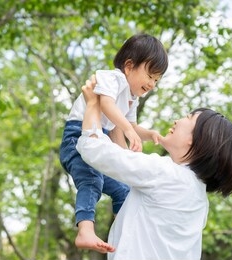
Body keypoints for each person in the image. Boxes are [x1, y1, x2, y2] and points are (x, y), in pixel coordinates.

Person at [75, 76, 232, 259]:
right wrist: (118, 119)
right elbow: (126, 161)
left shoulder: (165, 174)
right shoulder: (199, 201)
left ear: (196, 139)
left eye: (188, 117)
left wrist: (92, 104)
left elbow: (94, 150)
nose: (177, 121)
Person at [59, 33, 169, 253]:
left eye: (157, 80)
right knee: (92, 181)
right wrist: (127, 130)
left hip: (99, 138)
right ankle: (85, 230)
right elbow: (107, 105)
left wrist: (148, 134)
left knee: (122, 190)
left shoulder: (131, 97)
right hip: (77, 137)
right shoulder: (111, 78)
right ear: (129, 66)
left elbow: (131, 125)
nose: (152, 84)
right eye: (150, 75)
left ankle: (127, 230)